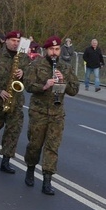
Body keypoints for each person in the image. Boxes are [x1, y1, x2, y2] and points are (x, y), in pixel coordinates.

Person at [23, 36, 79, 195]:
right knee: (34, 145)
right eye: (51, 50)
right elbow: (27, 85)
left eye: (57, 49)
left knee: (52, 147)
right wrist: (44, 85)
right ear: (46, 50)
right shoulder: (36, 65)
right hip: (38, 112)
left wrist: (64, 81)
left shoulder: (66, 68)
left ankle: (47, 180)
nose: (54, 53)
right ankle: (30, 169)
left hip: (57, 114)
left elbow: (74, 90)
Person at [0, 30, 30, 173]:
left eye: (18, 41)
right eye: (13, 40)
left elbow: (32, 75)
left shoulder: (24, 58)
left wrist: (24, 73)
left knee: (13, 131)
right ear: (6, 41)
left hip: (15, 100)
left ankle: (6, 160)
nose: (15, 43)